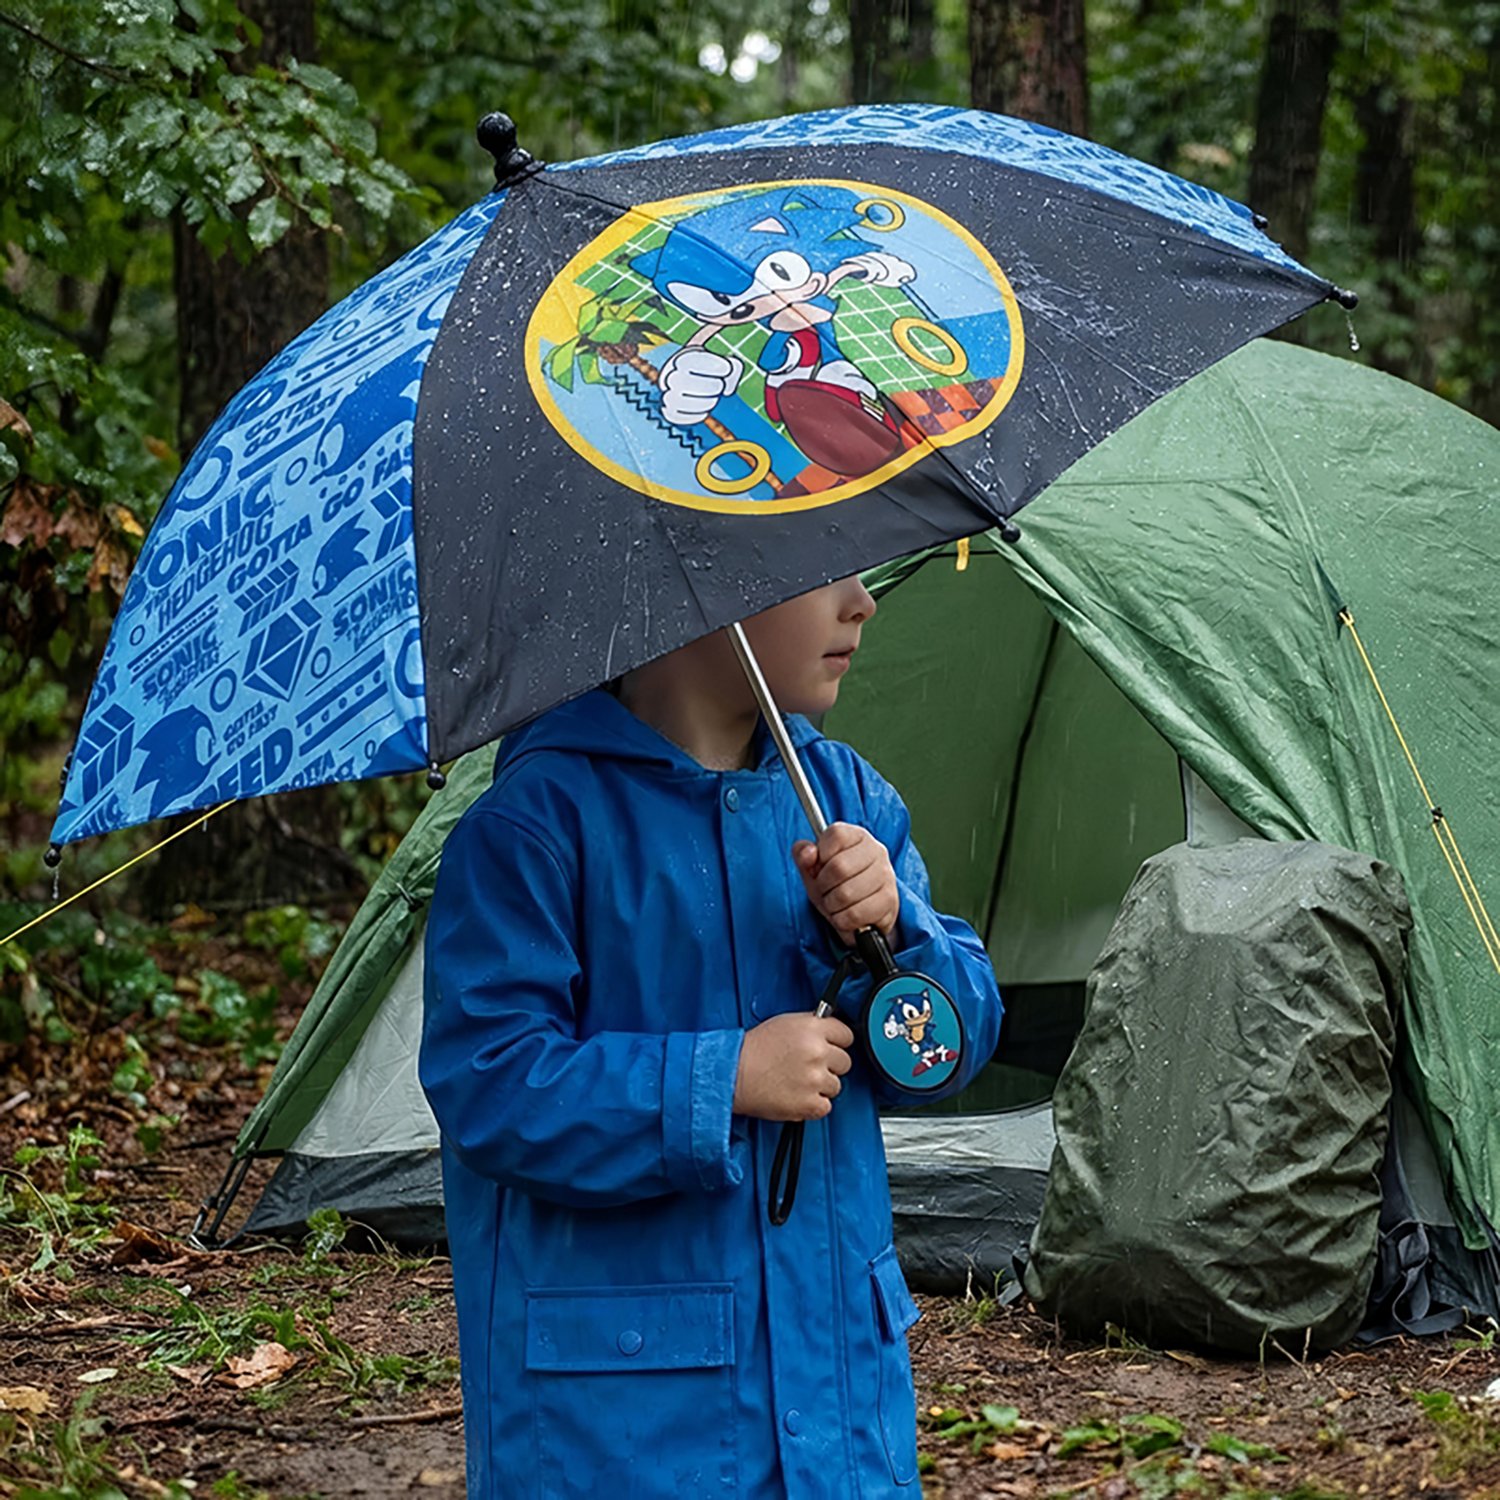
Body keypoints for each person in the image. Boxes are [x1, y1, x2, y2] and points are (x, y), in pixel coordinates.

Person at [420, 574, 1003, 1499]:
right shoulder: (536, 827)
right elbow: (490, 1081)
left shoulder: (845, 800)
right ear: (702, 590)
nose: (863, 602)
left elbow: (941, 1051)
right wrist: (721, 1078)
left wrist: (899, 937)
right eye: (821, 574)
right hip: (624, 1428)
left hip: (838, 1405)